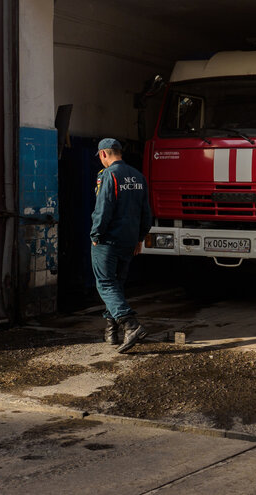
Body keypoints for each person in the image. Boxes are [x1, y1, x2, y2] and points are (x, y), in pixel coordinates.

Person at [90, 138, 152, 353]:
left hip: (108, 240)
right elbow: (146, 212)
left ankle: (130, 325)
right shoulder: (139, 176)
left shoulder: (109, 175)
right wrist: (140, 238)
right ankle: (111, 331)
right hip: (129, 241)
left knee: (105, 283)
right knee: (116, 285)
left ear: (103, 154)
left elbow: (103, 208)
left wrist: (95, 234)